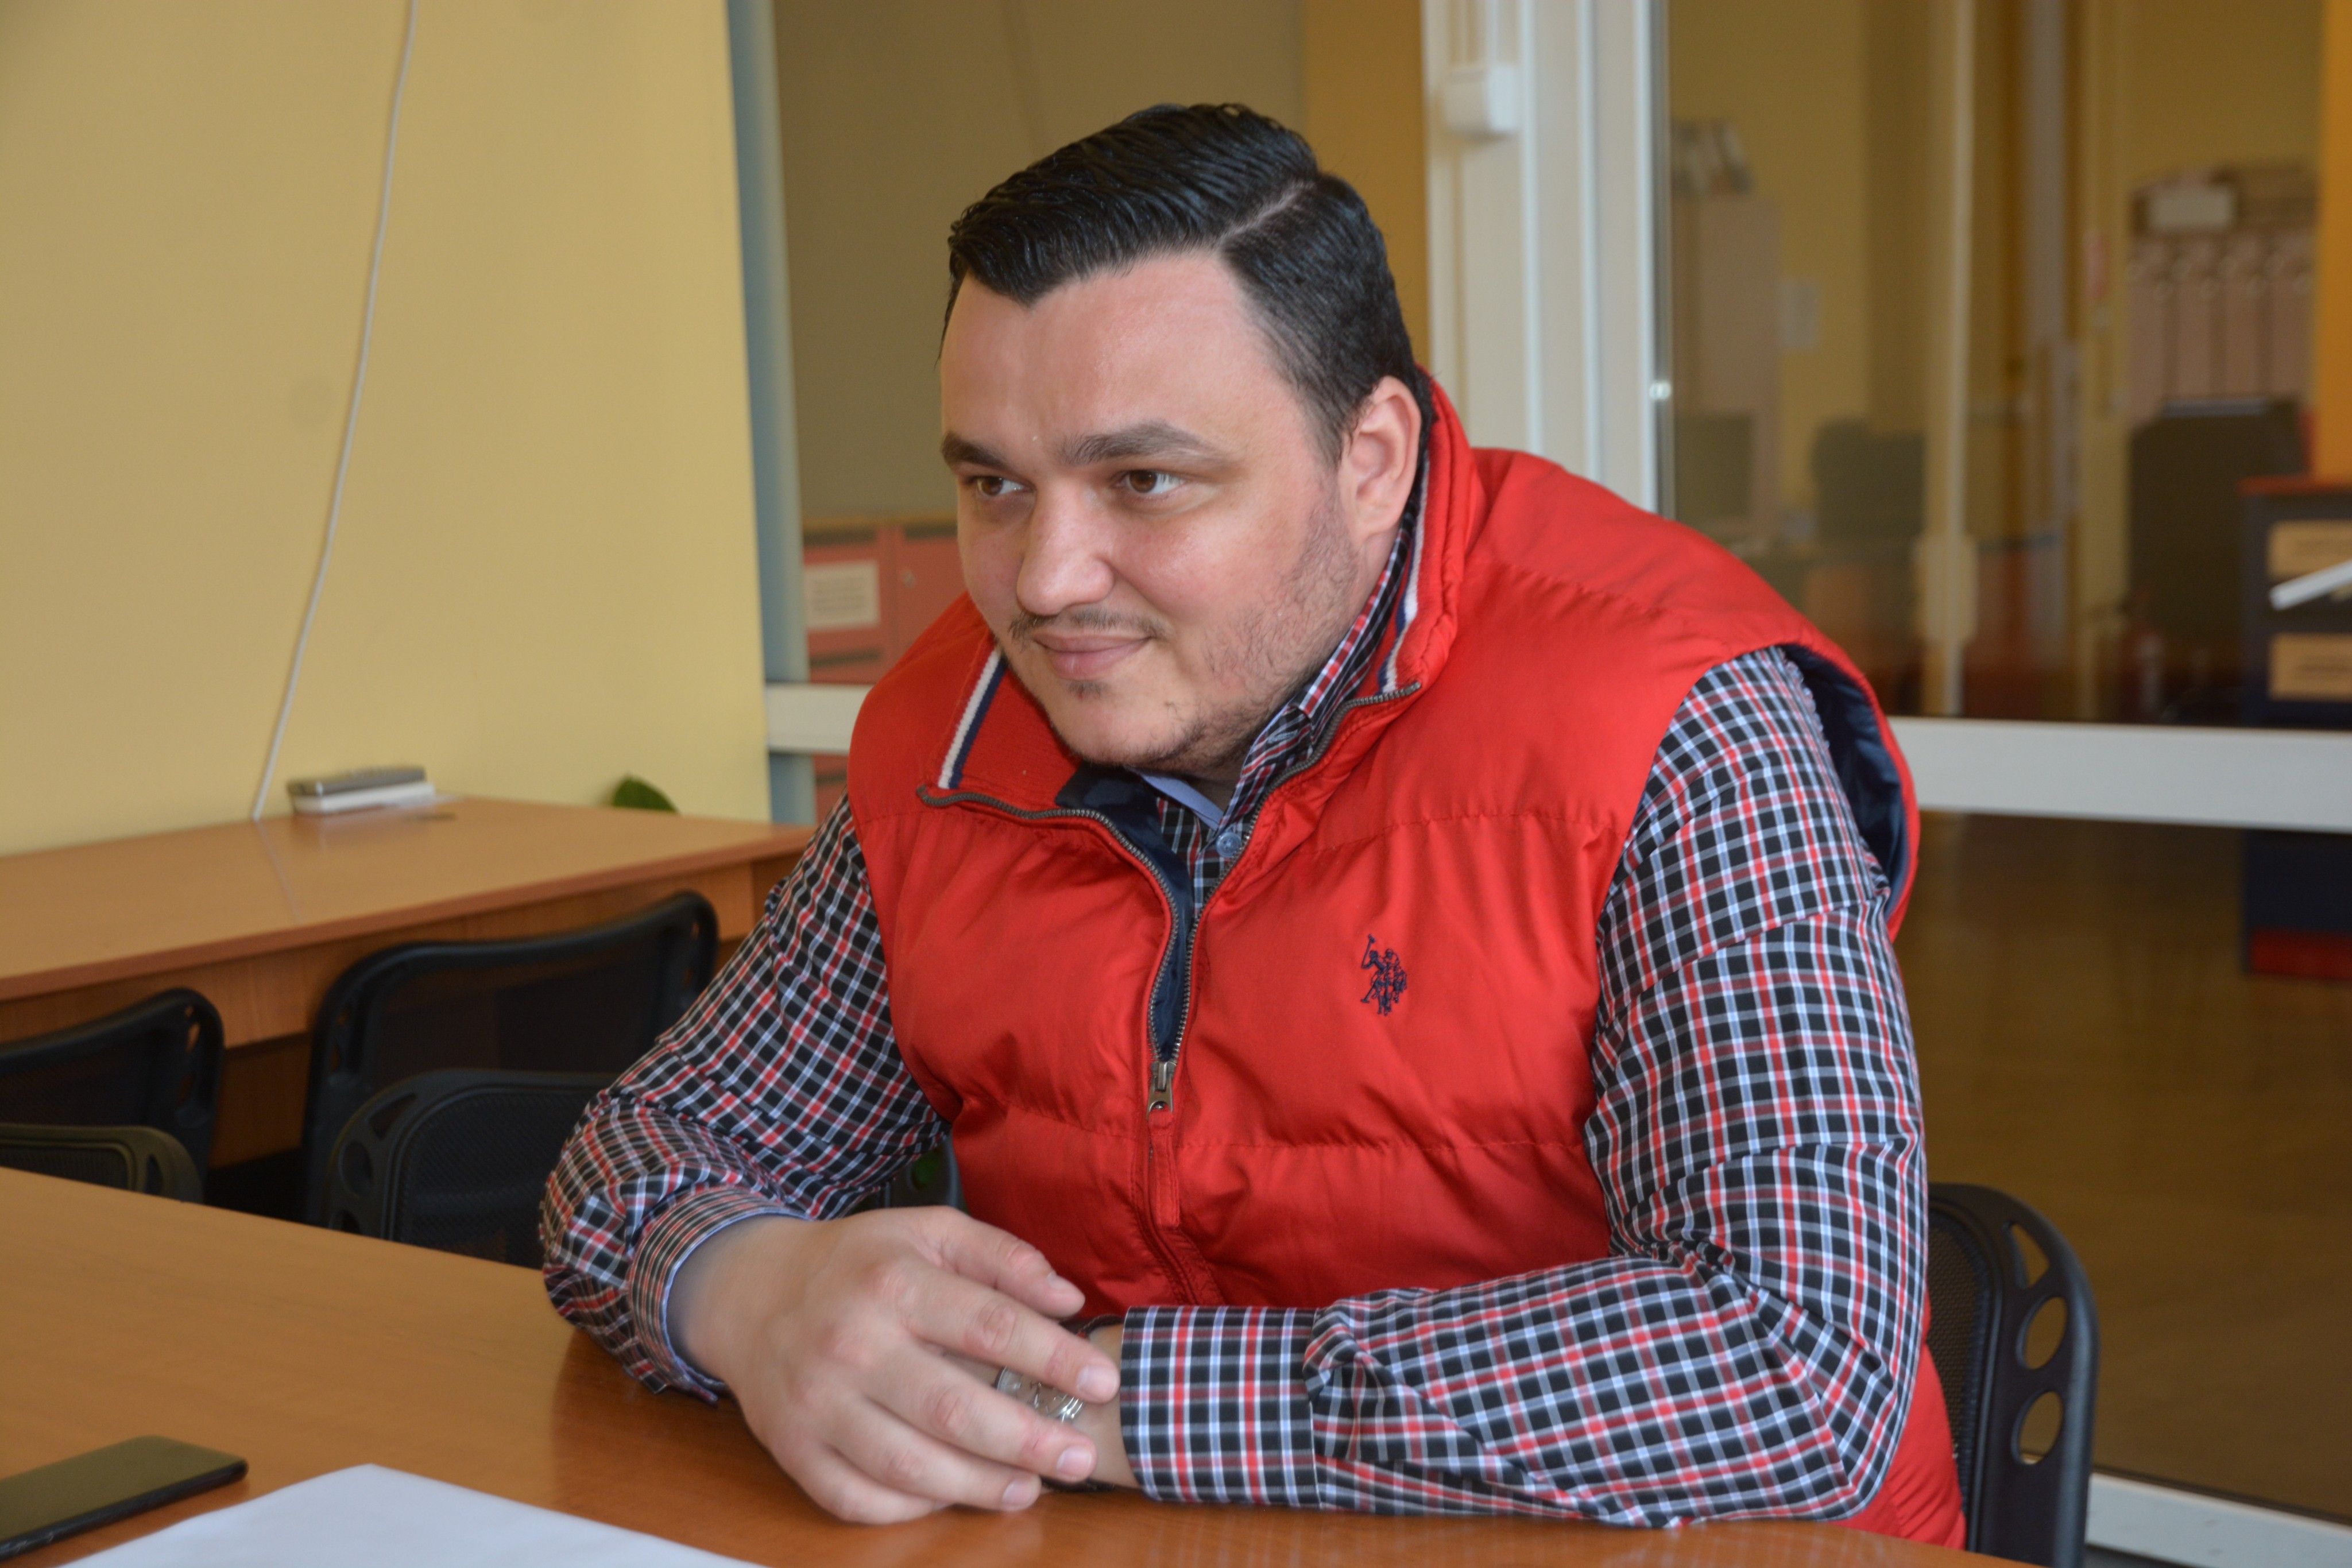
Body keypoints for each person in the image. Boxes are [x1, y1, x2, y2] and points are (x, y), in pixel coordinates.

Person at [543, 103, 1964, 1545]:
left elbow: (1796, 1366)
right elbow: (652, 1144)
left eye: (1143, 482)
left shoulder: (1674, 717)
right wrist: (749, 1291)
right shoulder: (949, 735)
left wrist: (1090, 1403)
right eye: (994, 486)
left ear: (1371, 457)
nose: (1043, 579)